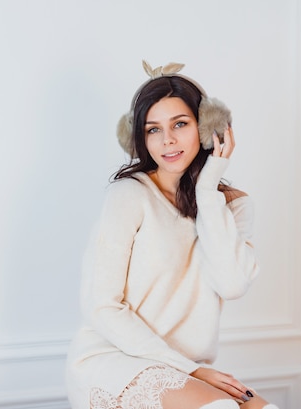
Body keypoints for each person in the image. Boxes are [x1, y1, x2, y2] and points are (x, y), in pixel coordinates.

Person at [66, 61, 279, 409]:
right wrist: (190, 370)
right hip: (115, 361)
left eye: (180, 124)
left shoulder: (232, 206)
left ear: (208, 128)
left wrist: (208, 188)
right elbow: (102, 305)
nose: (167, 140)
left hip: (187, 371)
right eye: (153, 129)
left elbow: (232, 284)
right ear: (139, 137)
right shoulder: (129, 195)